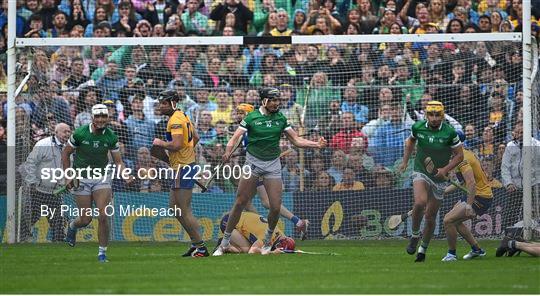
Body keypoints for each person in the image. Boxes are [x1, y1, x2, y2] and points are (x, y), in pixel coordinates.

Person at [213, 87, 327, 256]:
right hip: (253, 164)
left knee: (274, 207)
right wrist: (227, 151)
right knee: (239, 203)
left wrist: (315, 144)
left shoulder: (281, 118)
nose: (275, 103)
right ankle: (224, 243)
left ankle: (267, 241)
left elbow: (295, 139)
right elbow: (235, 137)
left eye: (277, 100)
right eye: (272, 100)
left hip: (272, 166)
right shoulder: (252, 117)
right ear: (264, 101)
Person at [63, 104, 132, 262]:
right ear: (93, 117)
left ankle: (102, 253)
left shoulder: (111, 136)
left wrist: (125, 174)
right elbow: (65, 153)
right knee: (85, 220)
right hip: (81, 178)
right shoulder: (80, 133)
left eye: (104, 116)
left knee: (103, 214)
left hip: (102, 177)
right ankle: (73, 226)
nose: (101, 119)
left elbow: (118, 161)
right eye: (98, 116)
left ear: (107, 118)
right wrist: (68, 176)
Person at [398, 101, 464, 262]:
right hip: (421, 170)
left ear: (442, 115)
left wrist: (445, 170)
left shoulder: (450, 133)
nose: (434, 118)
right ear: (426, 115)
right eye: (431, 115)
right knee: (420, 202)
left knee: (430, 217)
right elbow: (410, 142)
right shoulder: (418, 127)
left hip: (439, 177)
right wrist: (405, 161)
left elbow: (459, 156)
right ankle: (414, 236)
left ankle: (422, 250)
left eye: (438, 115)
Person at [232, 103, 310, 239]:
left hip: (260, 168)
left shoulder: (254, 126)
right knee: (253, 203)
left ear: (247, 114)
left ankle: (268, 228)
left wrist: (236, 154)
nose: (238, 115)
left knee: (261, 202)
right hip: (253, 167)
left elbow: (254, 148)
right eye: (237, 113)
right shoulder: (244, 128)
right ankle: (297, 222)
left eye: (241, 113)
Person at [152, 89, 208, 258]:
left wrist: (160, 143)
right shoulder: (183, 116)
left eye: (164, 103)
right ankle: (195, 243)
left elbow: (176, 144)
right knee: (175, 209)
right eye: (160, 103)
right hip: (184, 166)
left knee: (183, 210)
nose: (161, 106)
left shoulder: (175, 121)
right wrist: (187, 154)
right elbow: (195, 137)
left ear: (173, 103)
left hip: (183, 168)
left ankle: (201, 247)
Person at [441, 131, 493, 261]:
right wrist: (444, 191)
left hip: (480, 197)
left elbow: (471, 182)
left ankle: (451, 254)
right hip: (477, 194)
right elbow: (462, 181)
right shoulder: (463, 155)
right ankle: (477, 250)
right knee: (456, 222)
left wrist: (469, 205)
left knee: (448, 220)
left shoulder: (462, 159)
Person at [20, 123, 71, 242]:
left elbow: (69, 167)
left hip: (56, 192)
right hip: (38, 190)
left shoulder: (70, 148)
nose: (67, 134)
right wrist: (32, 183)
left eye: (69, 131)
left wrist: (67, 182)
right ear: (56, 132)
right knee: (30, 218)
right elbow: (30, 163)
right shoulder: (43, 144)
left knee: (58, 220)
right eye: (64, 131)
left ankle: (58, 243)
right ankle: (21, 239)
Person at [214, 211, 296, 254]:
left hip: (238, 218)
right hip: (229, 222)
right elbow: (252, 251)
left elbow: (287, 242)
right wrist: (272, 252)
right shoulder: (266, 238)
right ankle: (223, 244)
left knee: (242, 249)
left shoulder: (281, 235)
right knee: (247, 249)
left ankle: (229, 247)